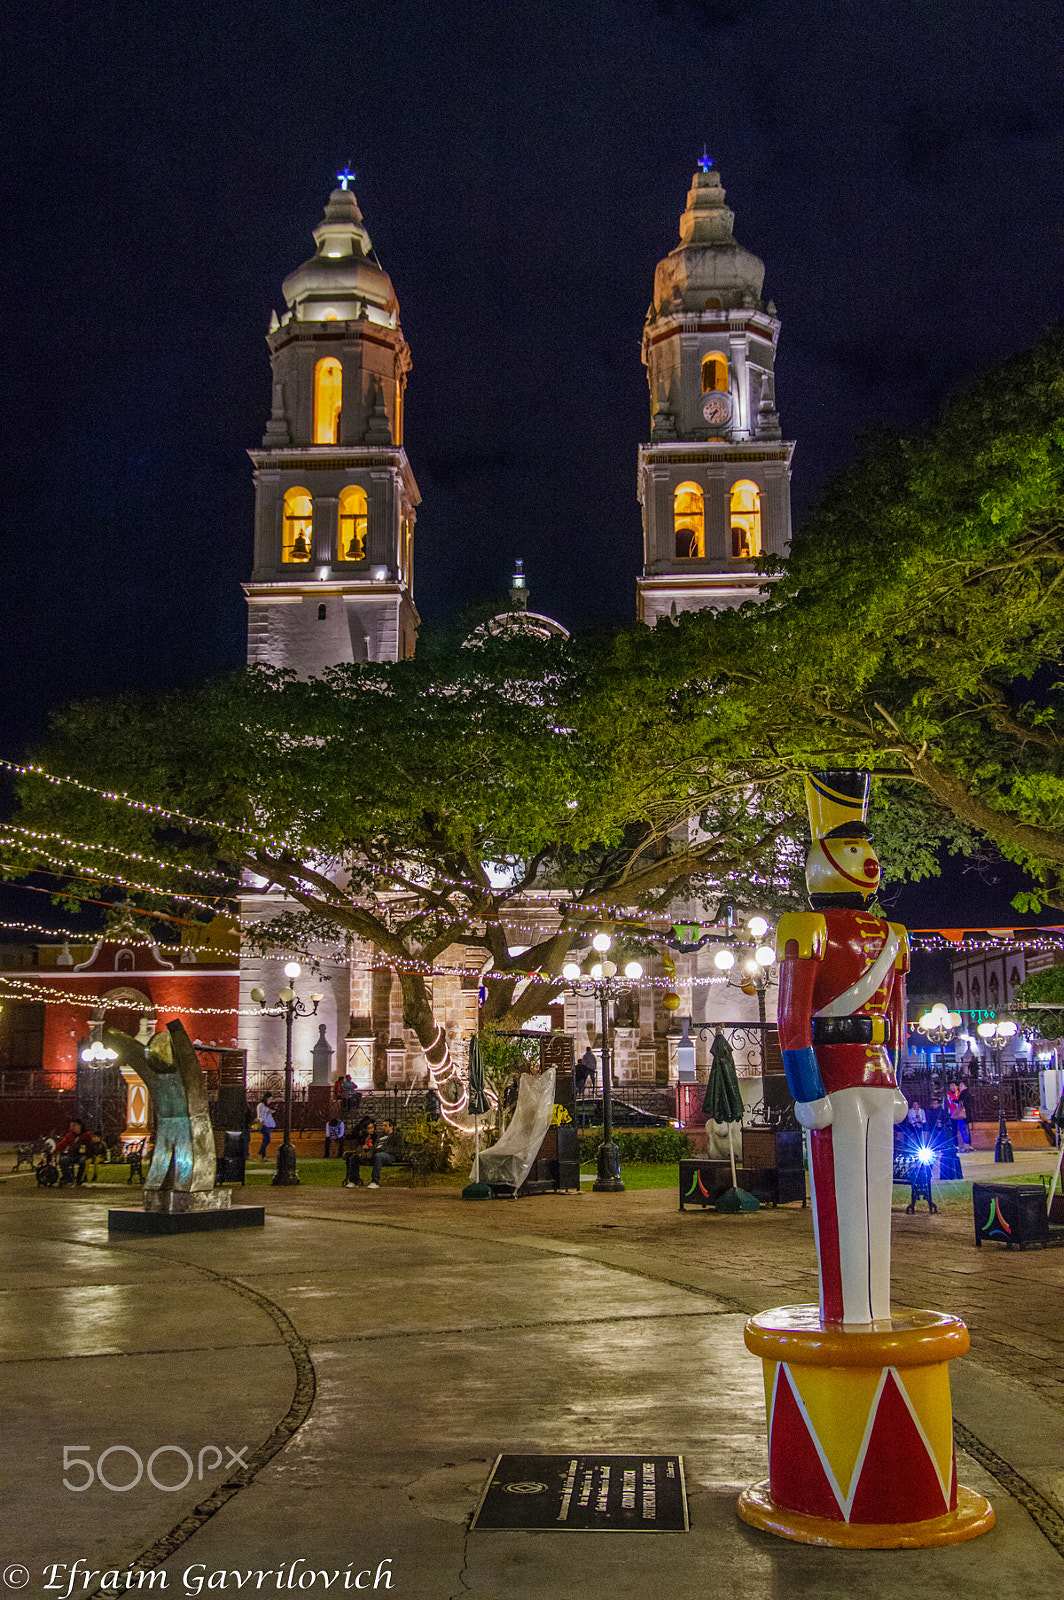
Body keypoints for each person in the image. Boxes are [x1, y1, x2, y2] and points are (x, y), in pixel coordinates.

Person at [777, 771, 909, 1326]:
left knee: (878, 1199)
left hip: (876, 1078)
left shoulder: (893, 934)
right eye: (854, 847)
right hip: (833, 1077)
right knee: (842, 1201)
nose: (868, 859)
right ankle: (848, 1310)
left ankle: (873, 1308)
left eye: (867, 847)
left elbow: (896, 1020)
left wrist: (896, 1081)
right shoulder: (806, 926)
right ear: (825, 857)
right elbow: (791, 1019)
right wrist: (806, 1092)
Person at [343, 1117, 375, 1187]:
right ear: (365, 1129)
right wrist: (363, 1147)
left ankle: (373, 1181)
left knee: (355, 1157)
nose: (372, 1129)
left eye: (372, 1127)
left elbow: (376, 1148)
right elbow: (358, 1148)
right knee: (353, 1157)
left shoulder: (376, 1136)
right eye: (369, 1128)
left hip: (372, 1156)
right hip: (362, 1155)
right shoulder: (362, 1137)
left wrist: (371, 1147)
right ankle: (354, 1181)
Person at [367, 1119, 399, 1188]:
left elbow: (398, 1150)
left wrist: (384, 1149)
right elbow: (375, 1147)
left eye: (385, 1126)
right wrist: (370, 1148)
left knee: (379, 1156)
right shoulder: (380, 1137)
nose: (383, 1127)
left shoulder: (396, 1136)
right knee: (354, 1156)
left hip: (388, 1156)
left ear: (391, 1127)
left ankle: (374, 1181)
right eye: (382, 1125)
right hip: (376, 1154)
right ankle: (354, 1181)